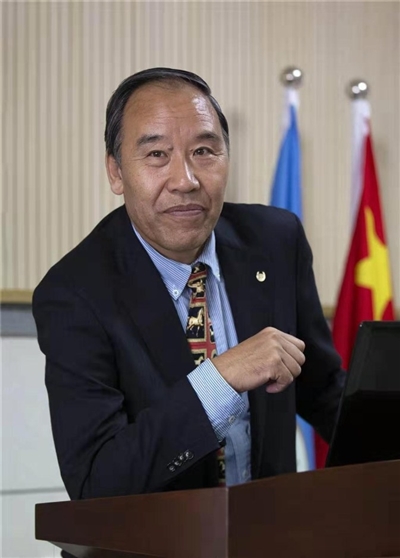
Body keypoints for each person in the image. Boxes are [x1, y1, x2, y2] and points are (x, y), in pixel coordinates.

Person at [33, 68, 345, 502]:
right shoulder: (74, 293)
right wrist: (222, 378)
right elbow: (97, 483)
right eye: (157, 155)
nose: (185, 180)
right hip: (153, 537)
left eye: (203, 151)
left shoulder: (275, 242)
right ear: (116, 172)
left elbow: (325, 393)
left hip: (271, 529)